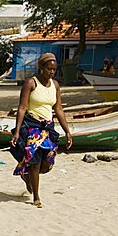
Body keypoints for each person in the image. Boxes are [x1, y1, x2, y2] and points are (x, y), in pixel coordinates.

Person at [10, 53, 73, 208]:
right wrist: (17, 132)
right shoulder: (31, 83)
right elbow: (22, 108)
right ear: (41, 67)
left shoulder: (55, 85)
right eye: (49, 69)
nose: (51, 72)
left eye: (54, 69)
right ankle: (36, 197)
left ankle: (26, 176)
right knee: (35, 163)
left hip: (48, 128)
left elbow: (58, 109)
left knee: (47, 164)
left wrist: (67, 131)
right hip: (32, 128)